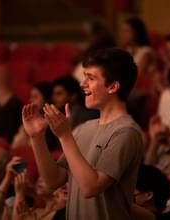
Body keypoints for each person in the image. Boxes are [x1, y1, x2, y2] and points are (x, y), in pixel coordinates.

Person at [22, 48, 144, 220]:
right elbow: (53, 180)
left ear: (113, 86)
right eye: (85, 76)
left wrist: (65, 137)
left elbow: (90, 187)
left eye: (91, 78)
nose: (82, 84)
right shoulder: (84, 128)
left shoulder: (126, 132)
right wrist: (37, 137)